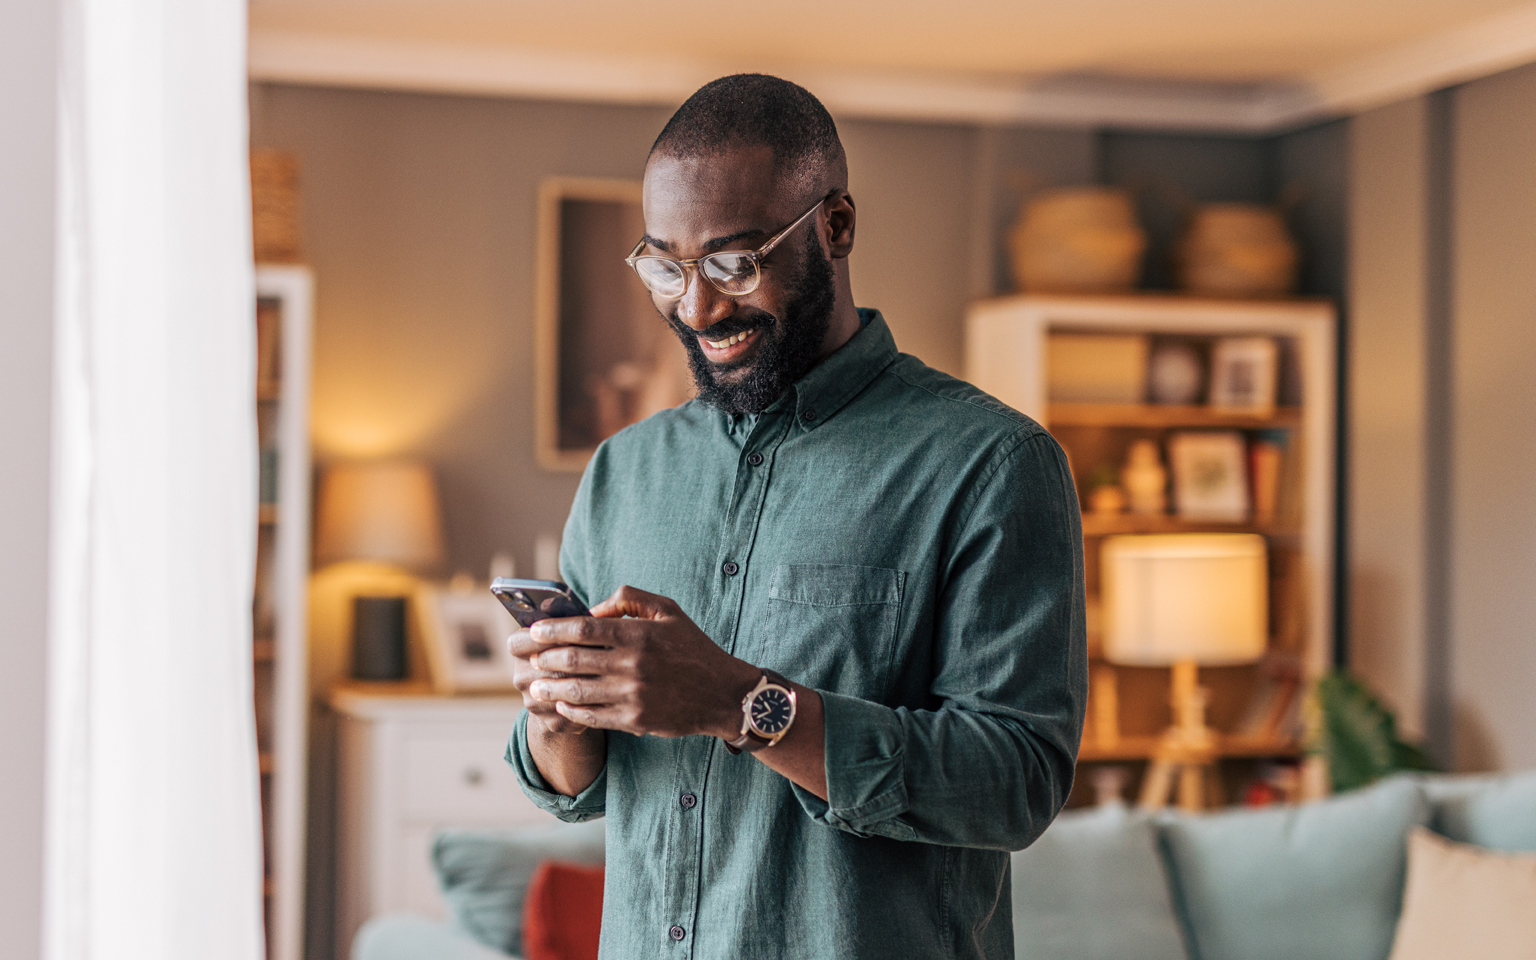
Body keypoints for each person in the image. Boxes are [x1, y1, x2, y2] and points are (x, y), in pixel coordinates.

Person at [506, 73, 1086, 960]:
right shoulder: (624, 470)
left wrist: (743, 703)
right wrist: (560, 715)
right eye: (665, 266)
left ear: (836, 225)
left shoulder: (990, 465)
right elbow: (571, 789)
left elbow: (1015, 783)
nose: (695, 307)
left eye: (735, 263)